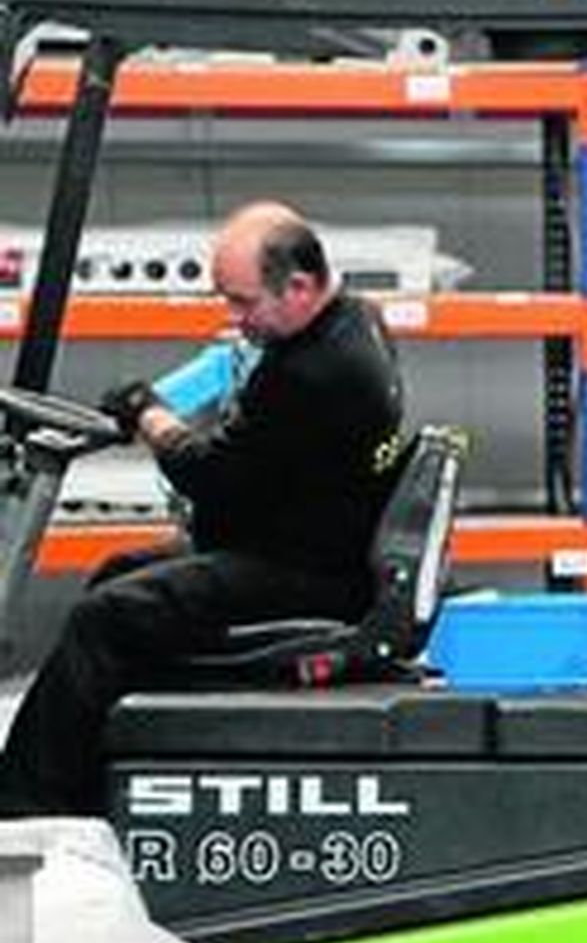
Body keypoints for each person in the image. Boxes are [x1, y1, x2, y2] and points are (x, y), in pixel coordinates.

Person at [0, 201, 406, 816]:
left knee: (103, 618)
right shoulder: (354, 323)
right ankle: (102, 774)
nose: (235, 320)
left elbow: (209, 476)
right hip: (310, 541)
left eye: (243, 304)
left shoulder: (314, 370)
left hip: (307, 572)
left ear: (298, 286)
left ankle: (23, 807)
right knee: (117, 576)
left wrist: (150, 417)